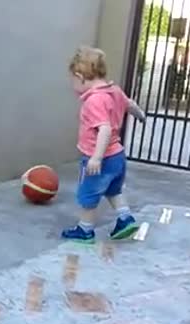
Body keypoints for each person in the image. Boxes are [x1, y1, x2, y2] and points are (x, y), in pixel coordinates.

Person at [61, 46, 146, 244]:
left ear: (80, 76)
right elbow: (130, 104)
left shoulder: (94, 101)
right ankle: (125, 219)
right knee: (113, 190)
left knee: (87, 195)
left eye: (73, 81)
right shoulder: (114, 91)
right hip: (118, 156)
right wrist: (140, 115)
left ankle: (85, 230)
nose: (73, 86)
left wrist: (96, 157)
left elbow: (104, 129)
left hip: (101, 158)